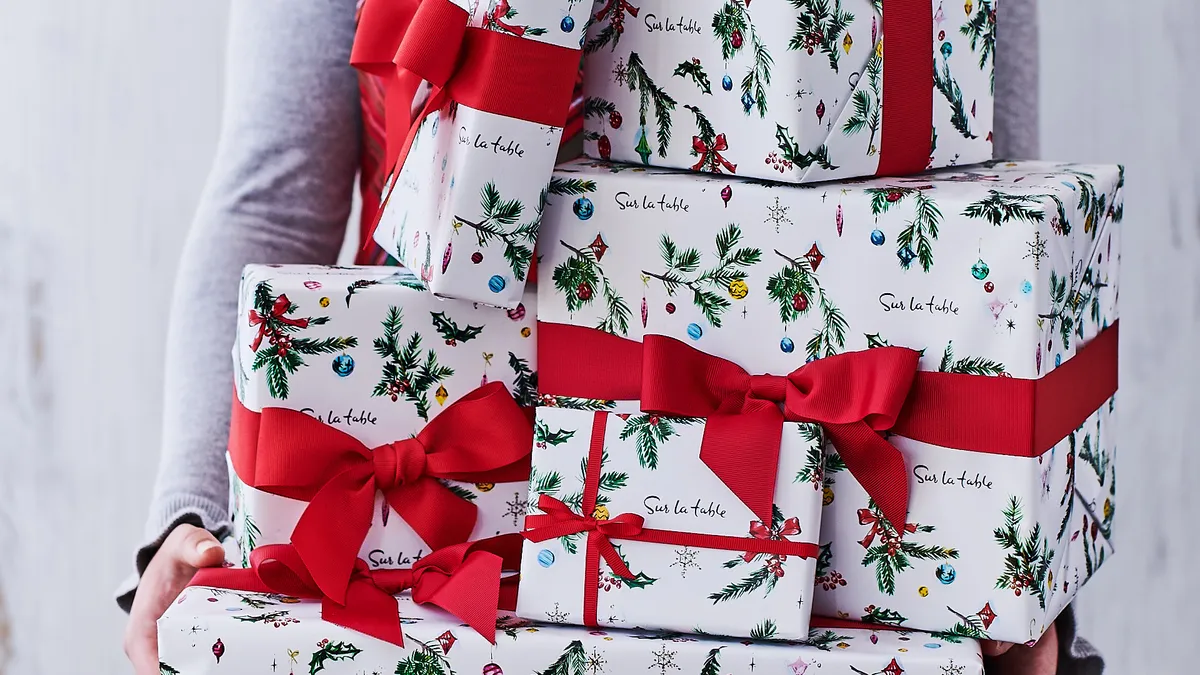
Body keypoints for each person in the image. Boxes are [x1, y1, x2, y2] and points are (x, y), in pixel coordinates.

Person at [116, 1, 1102, 674]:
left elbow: (997, 223)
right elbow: (274, 192)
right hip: (453, 533)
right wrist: (188, 519)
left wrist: (1015, 585)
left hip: (834, 511)